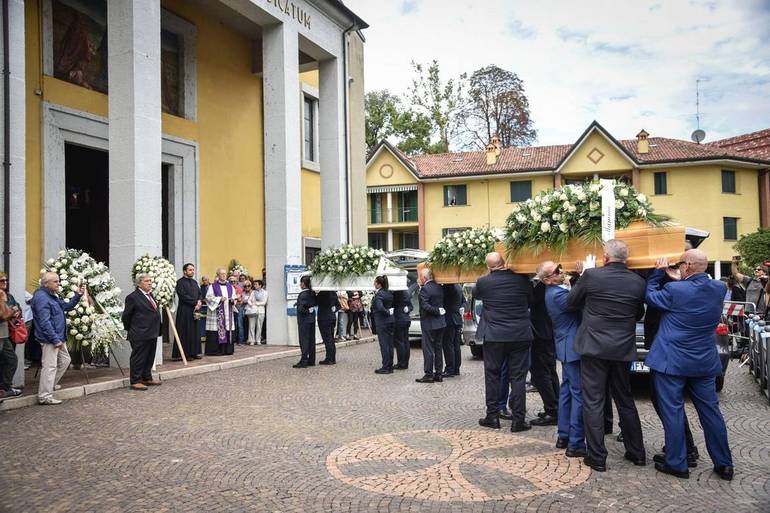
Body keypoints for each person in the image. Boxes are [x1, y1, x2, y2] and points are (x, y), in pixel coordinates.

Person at [646, 250, 734, 481]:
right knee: (711, 413)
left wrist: (658, 273)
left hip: (671, 361)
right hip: (703, 361)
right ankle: (724, 464)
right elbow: (694, 289)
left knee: (673, 411)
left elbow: (651, 297)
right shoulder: (719, 288)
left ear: (687, 266)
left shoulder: (674, 290)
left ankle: (677, 462)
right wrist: (682, 278)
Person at [568, 240, 646, 472]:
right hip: (621, 348)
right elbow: (638, 312)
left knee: (593, 400)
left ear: (605, 257)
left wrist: (580, 277)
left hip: (594, 346)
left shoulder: (591, 276)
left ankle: (597, 456)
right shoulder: (638, 281)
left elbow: (571, 302)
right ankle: (637, 452)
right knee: (625, 398)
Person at [475, 252, 533, 432]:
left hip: (494, 335)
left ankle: (492, 416)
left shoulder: (483, 282)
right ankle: (518, 420)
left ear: (489, 266)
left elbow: (477, 296)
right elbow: (530, 299)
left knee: (492, 376)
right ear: (505, 262)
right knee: (518, 377)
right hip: (520, 334)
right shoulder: (522, 280)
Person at [541, 261, 586, 457]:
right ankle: (575, 443)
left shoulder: (556, 290)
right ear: (547, 279)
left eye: (560, 269)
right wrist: (584, 276)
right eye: (556, 271)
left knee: (567, 391)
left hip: (566, 346)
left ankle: (564, 434)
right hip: (572, 347)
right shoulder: (557, 293)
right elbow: (580, 300)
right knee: (578, 394)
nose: (561, 272)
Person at [31, 272, 83, 405]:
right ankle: (44, 396)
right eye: (55, 281)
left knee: (65, 360)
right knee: (50, 366)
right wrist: (55, 339)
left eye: (58, 281)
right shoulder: (42, 297)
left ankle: (50, 384)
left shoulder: (51, 295)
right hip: (51, 338)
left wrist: (77, 295)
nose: (58, 283)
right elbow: (44, 322)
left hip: (58, 336)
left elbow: (66, 306)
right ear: (46, 283)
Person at [529, 267, 561, 426]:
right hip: (548, 335)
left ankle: (552, 410)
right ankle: (557, 407)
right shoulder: (551, 287)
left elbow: (531, 301)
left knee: (541, 375)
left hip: (541, 336)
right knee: (550, 372)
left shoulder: (543, 288)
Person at [122, 273, 163, 391]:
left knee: (150, 356)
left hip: (152, 332)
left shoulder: (150, 295)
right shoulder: (133, 297)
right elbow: (126, 316)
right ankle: (135, 380)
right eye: (146, 281)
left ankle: (146, 377)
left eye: (150, 280)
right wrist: (132, 329)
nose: (150, 282)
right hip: (139, 332)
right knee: (138, 357)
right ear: (139, 283)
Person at [416, 268, 446, 383]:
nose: (419, 279)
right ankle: (439, 373)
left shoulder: (424, 289)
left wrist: (437, 311)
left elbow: (425, 306)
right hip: (441, 323)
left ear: (424, 278)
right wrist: (439, 311)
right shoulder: (439, 287)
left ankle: (428, 374)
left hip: (429, 323)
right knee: (438, 348)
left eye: (420, 277)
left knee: (428, 349)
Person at [0, 272, 22, 399]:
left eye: (6, 280)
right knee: (10, 360)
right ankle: (5, 388)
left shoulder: (7, 295)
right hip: (1, 334)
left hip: (7, 333)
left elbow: (17, 307)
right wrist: (12, 310)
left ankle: (5, 388)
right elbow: (3, 315)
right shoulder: (2, 296)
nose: (5, 283)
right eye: (1, 281)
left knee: (9, 360)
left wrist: (14, 310)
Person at [205, 268, 237, 356]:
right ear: (218, 275)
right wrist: (219, 299)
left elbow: (234, 297)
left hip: (228, 313)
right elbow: (208, 298)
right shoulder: (213, 286)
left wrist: (233, 301)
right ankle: (216, 351)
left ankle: (228, 350)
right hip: (217, 313)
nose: (224, 275)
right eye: (221, 274)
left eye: (225, 274)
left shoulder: (230, 286)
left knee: (227, 328)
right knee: (216, 330)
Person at [173, 263, 202, 361]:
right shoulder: (180, 282)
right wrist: (195, 302)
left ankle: (195, 352)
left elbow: (199, 293)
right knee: (186, 331)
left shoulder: (194, 282)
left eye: (193, 270)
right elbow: (183, 296)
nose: (192, 271)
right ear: (184, 271)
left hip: (195, 309)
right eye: (190, 270)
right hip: (185, 310)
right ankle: (185, 353)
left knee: (195, 331)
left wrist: (199, 301)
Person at [372, 276, 395, 374]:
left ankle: (386, 366)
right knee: (389, 344)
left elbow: (380, 308)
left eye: (375, 282)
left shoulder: (379, 294)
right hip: (390, 321)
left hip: (382, 322)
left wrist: (387, 312)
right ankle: (390, 365)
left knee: (384, 345)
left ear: (379, 284)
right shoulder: (388, 292)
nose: (374, 284)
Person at [294, 276, 317, 368]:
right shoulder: (312, 293)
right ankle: (311, 359)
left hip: (304, 320)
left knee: (304, 340)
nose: (300, 284)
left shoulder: (302, 294)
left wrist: (304, 309)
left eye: (301, 283)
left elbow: (301, 308)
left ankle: (304, 360)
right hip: (311, 319)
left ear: (303, 284)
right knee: (311, 340)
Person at [441, 284, 463, 377]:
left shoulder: (447, 287)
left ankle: (450, 369)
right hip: (457, 319)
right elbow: (463, 301)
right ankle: (456, 368)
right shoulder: (458, 286)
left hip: (449, 319)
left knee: (448, 345)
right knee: (456, 345)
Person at [316, 289, 340, 364]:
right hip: (332, 317)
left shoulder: (322, 293)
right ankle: (333, 358)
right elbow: (338, 306)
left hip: (324, 318)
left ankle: (329, 358)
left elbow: (315, 302)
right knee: (331, 338)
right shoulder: (333, 293)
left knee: (327, 339)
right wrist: (334, 309)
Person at [392, 288, 413, 369]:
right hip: (406, 319)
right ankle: (405, 363)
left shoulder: (396, 293)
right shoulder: (406, 292)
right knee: (406, 342)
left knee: (400, 342)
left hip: (399, 320)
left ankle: (401, 363)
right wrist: (408, 309)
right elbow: (411, 306)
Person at [229, 274, 245, 343]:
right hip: (230, 307)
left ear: (236, 282)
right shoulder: (228, 289)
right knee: (233, 324)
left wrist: (234, 298)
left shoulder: (239, 289)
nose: (233, 283)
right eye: (231, 281)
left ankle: (240, 340)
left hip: (238, 307)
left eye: (234, 281)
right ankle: (234, 340)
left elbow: (237, 297)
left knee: (239, 324)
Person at [252, 280, 268, 344]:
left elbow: (264, 302)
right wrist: (254, 304)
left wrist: (255, 303)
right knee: (252, 326)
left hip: (261, 311)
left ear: (260, 285)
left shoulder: (265, 292)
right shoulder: (253, 292)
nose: (254, 286)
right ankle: (252, 340)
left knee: (259, 326)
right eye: (254, 284)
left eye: (256, 284)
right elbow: (250, 300)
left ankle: (258, 340)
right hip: (253, 310)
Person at [198, 276, 210, 342]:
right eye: (204, 280)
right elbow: (199, 295)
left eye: (206, 280)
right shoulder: (200, 287)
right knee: (203, 322)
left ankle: (209, 336)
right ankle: (203, 336)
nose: (205, 281)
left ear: (208, 280)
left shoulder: (212, 286)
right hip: (203, 306)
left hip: (211, 306)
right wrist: (203, 299)